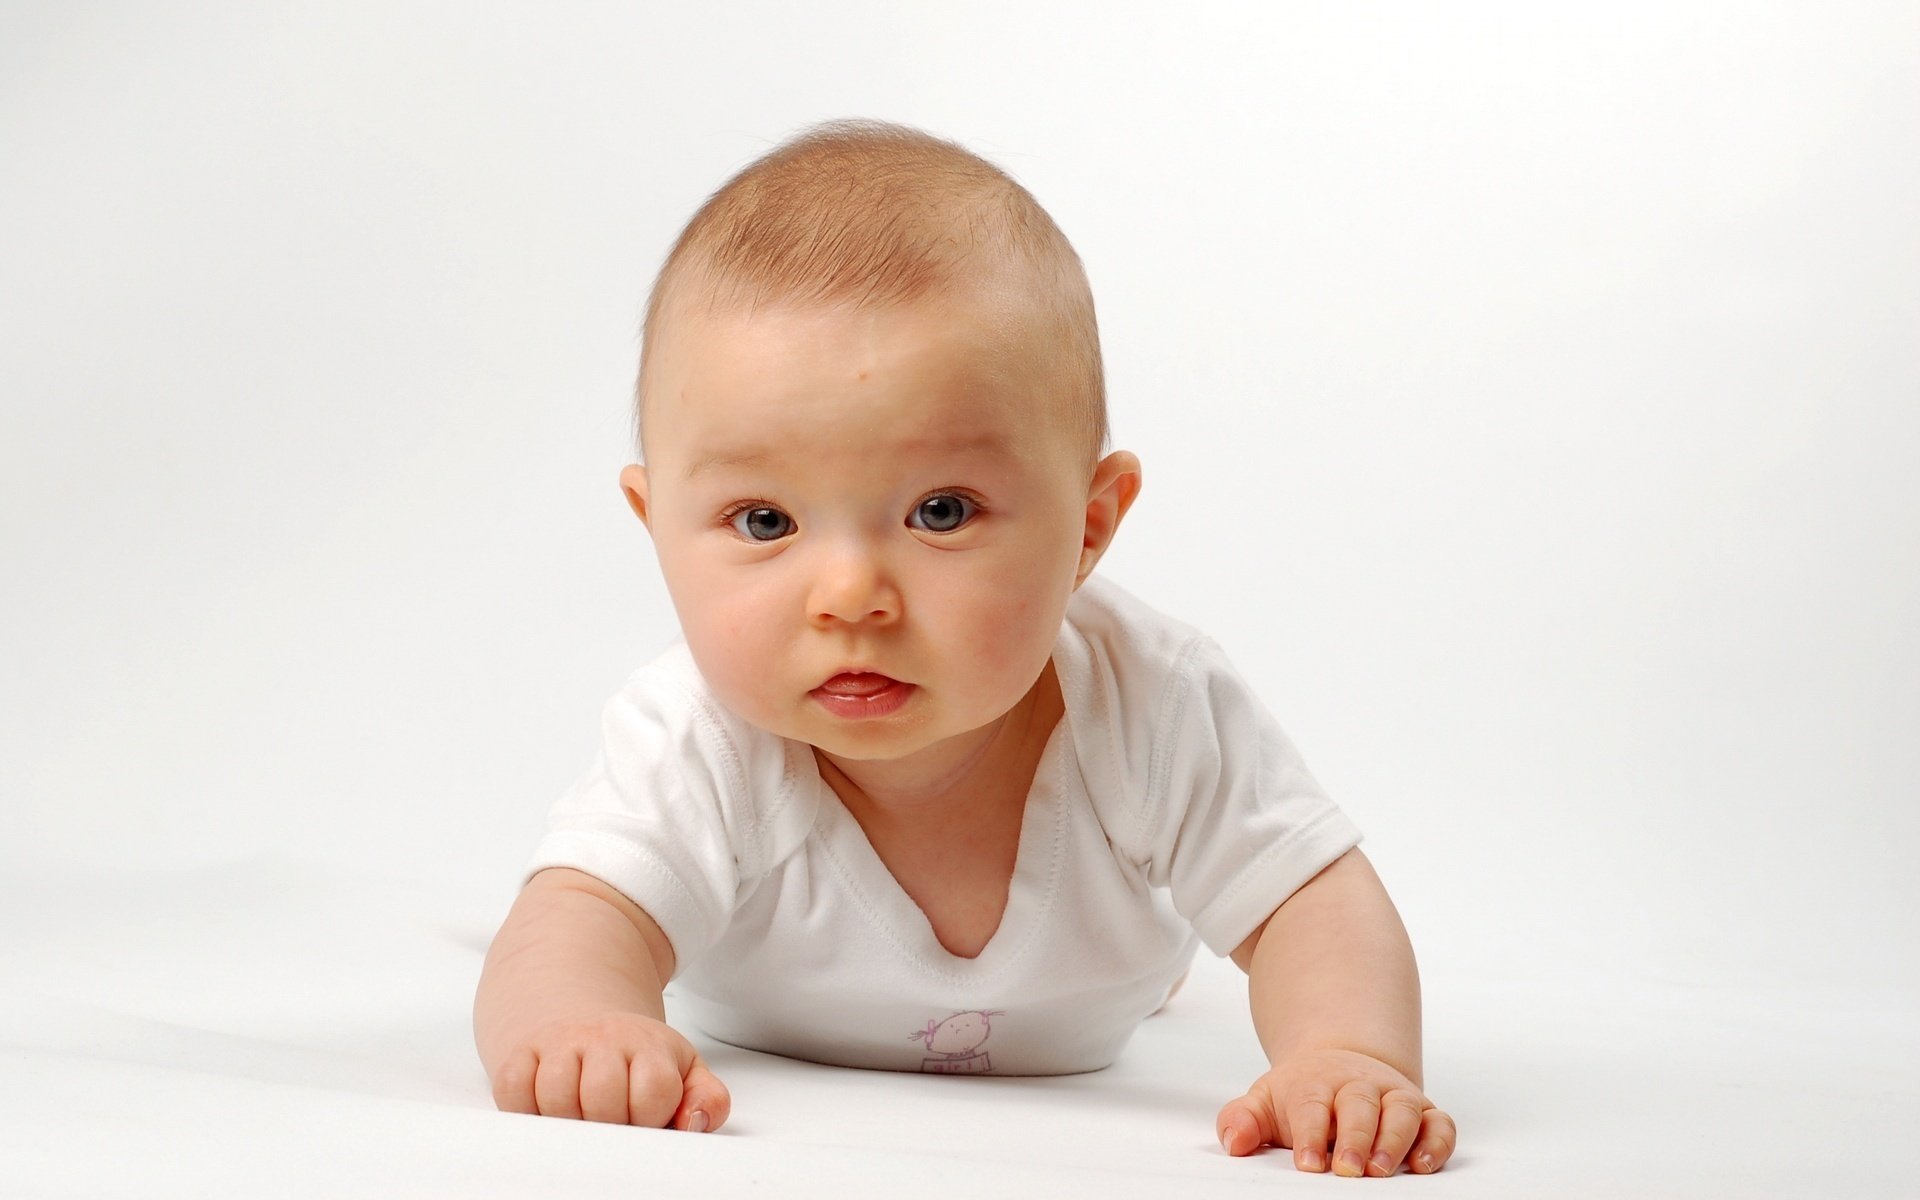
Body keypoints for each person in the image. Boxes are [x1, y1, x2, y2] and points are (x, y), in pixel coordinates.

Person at [473, 118, 1457, 1178]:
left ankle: (1136, 946)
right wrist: (582, 1020)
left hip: (1092, 998)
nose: (850, 596)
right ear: (655, 522)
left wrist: (1343, 1052)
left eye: (941, 511)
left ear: (1087, 527)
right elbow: (571, 920)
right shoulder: (695, 736)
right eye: (765, 522)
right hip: (761, 1035)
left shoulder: (1151, 699)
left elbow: (1311, 899)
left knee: (1204, 906)